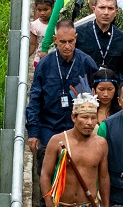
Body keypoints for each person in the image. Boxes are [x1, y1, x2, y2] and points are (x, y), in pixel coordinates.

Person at [26, 20, 99, 186]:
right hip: (49, 126)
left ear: (76, 38)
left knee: (76, 177)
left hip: (77, 129)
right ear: (55, 40)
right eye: (62, 42)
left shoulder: (87, 62)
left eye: (71, 41)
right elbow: (35, 99)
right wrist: (33, 132)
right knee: (47, 175)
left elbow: (97, 95)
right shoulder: (45, 65)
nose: (67, 46)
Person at [39, 93, 110, 207]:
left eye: (93, 118)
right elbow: (45, 174)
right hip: (62, 203)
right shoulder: (57, 141)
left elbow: (103, 177)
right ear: (74, 117)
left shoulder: (101, 143)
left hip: (89, 204)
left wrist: (106, 205)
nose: (90, 123)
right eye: (84, 117)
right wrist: (48, 203)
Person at [76, 0, 123, 80]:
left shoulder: (121, 38)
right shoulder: (79, 33)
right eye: (102, 8)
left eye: (110, 8)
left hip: (112, 88)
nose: (106, 12)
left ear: (116, 12)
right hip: (85, 87)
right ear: (94, 9)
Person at [30, 0, 55, 67]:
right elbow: (32, 44)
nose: (42, 13)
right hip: (39, 60)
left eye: (45, 10)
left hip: (54, 60)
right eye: (39, 10)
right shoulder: (34, 25)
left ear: (52, 8)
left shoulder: (57, 24)